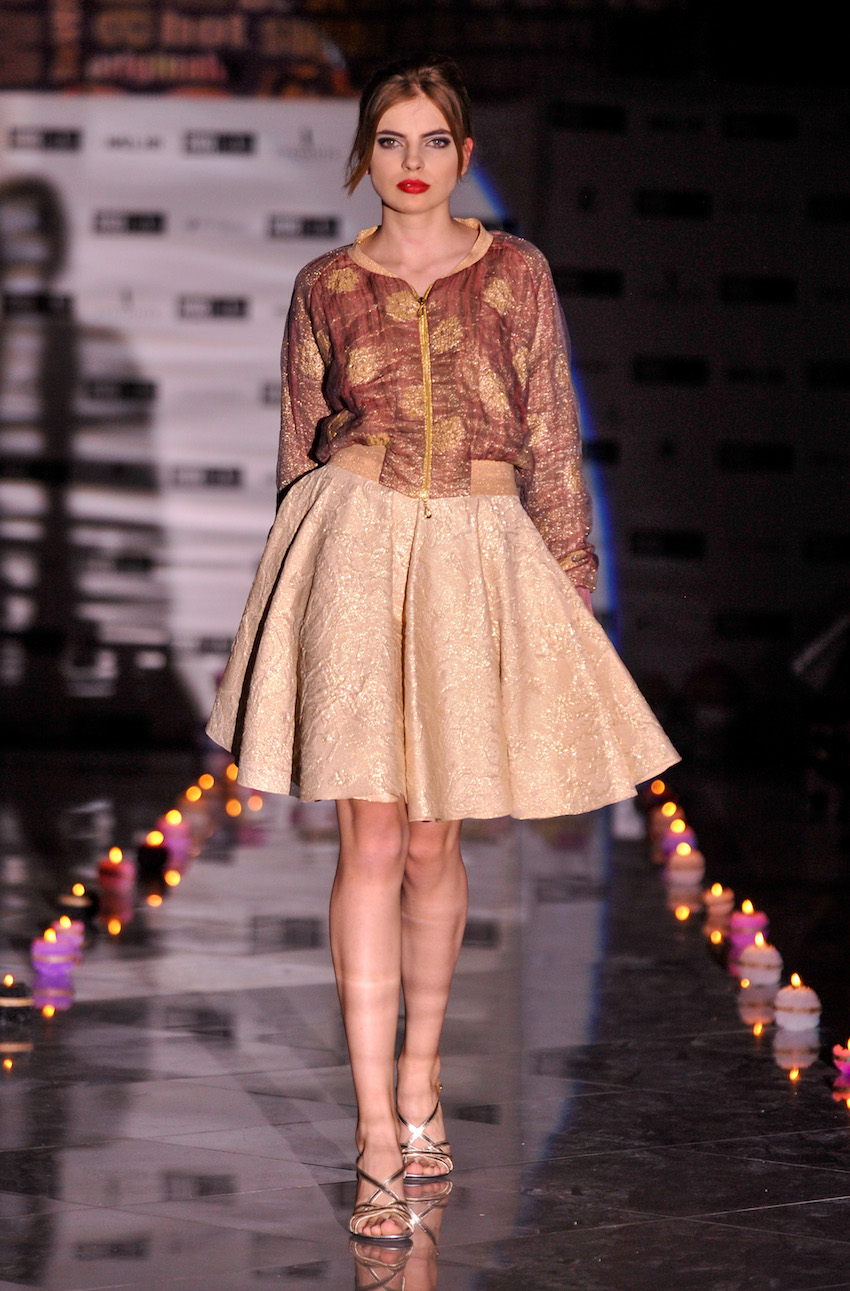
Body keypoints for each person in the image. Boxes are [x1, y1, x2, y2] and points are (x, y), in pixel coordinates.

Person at [207, 57, 679, 1247]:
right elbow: (297, 447)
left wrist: (567, 580)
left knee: (432, 838)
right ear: (362, 155)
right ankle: (376, 1131)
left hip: (475, 547)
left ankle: (421, 1079)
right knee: (369, 836)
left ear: (464, 156)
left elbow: (552, 430)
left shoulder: (515, 272)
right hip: (357, 544)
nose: (410, 163)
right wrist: (290, 599)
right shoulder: (324, 284)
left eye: (432, 142)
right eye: (389, 140)